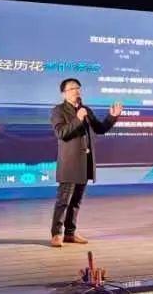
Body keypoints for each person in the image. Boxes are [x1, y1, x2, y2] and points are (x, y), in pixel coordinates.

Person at [49, 78, 122, 247]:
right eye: (72, 88)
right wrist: (77, 119)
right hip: (70, 163)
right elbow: (61, 133)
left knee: (76, 201)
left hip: (85, 162)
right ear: (64, 93)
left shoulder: (85, 109)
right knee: (63, 201)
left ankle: (70, 233)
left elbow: (100, 129)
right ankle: (56, 234)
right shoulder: (58, 110)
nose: (77, 91)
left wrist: (112, 117)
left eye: (78, 88)